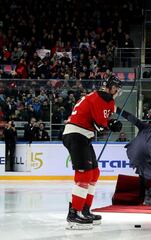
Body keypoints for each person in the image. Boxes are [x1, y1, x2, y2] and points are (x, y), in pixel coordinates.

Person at [62, 75, 123, 230]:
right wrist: (111, 124)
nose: (117, 92)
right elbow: (98, 125)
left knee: (94, 173)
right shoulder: (100, 99)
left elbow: (100, 121)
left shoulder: (102, 98)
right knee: (84, 175)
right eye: (116, 88)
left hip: (82, 135)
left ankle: (84, 209)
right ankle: (74, 213)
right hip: (76, 135)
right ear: (109, 86)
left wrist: (110, 123)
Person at [115, 107, 151, 210]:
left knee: (144, 175)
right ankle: (149, 198)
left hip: (135, 151)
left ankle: (142, 196)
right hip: (140, 159)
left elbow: (133, 119)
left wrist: (117, 110)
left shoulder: (148, 128)